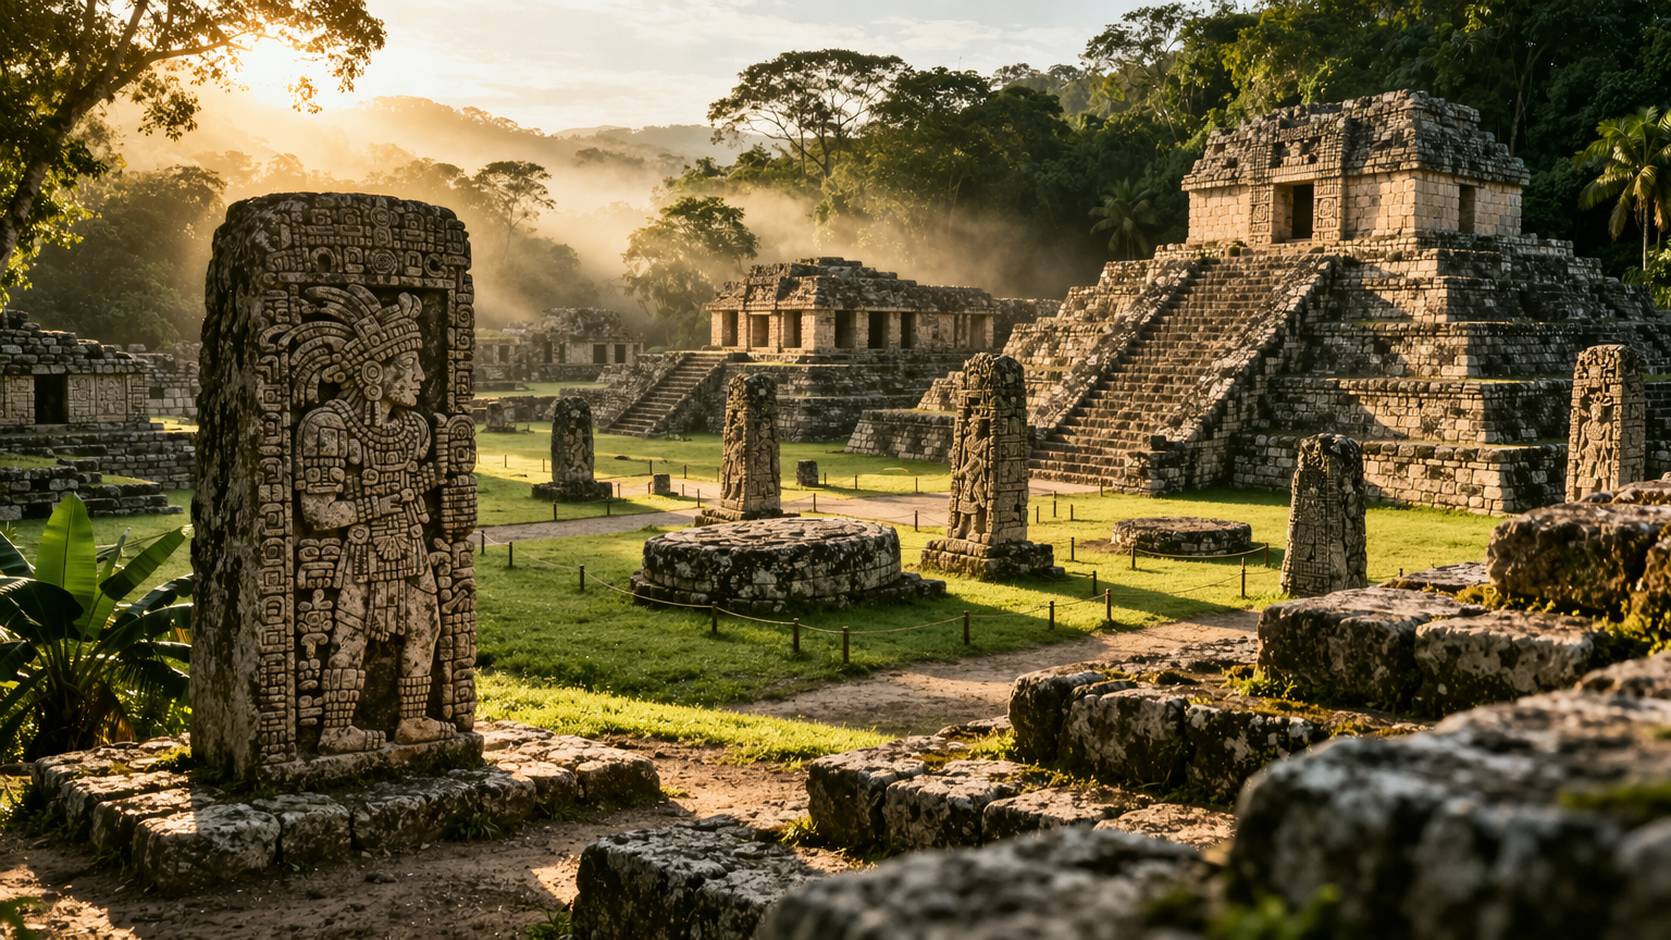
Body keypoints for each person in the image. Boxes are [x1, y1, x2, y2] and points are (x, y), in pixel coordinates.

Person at [293, 286, 456, 754]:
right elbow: (318, 513)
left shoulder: (415, 429)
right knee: (350, 634)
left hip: (407, 542)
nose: (421, 377)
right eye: (408, 369)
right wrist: (376, 505)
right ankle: (337, 729)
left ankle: (412, 721)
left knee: (427, 626)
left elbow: (421, 481)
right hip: (361, 546)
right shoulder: (328, 426)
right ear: (372, 374)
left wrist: (443, 471)